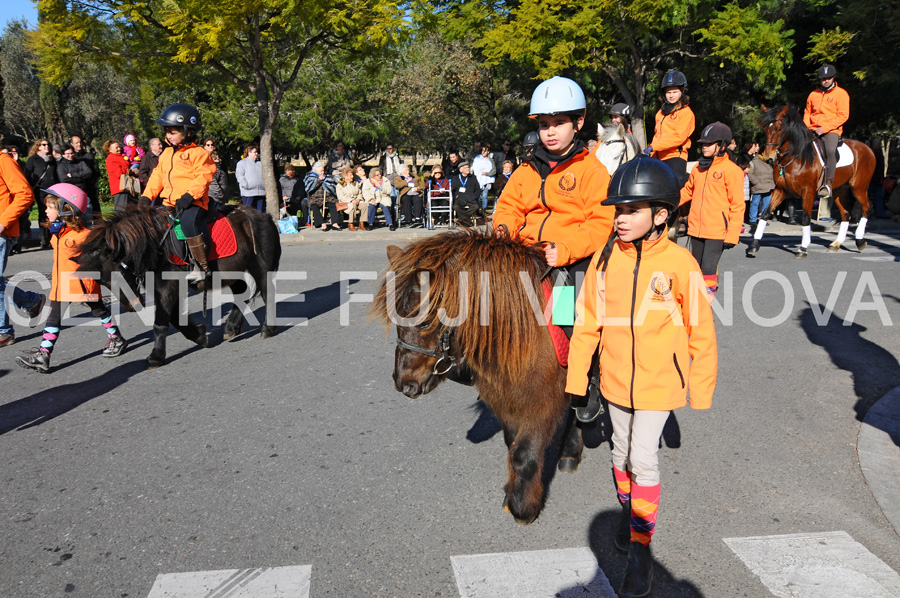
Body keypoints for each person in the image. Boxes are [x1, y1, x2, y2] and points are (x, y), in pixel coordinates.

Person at [565, 155, 717, 598]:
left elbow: (700, 331)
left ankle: (641, 550)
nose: (621, 218)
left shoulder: (680, 263)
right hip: (614, 380)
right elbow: (587, 320)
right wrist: (577, 381)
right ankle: (632, 516)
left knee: (644, 458)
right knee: (619, 453)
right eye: (618, 210)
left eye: (632, 210)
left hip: (659, 383)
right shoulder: (604, 257)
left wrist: (700, 388)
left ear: (661, 215)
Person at [492, 76, 615, 423]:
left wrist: (565, 249)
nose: (550, 132)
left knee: (568, 317)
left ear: (578, 123)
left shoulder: (591, 170)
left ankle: (588, 381)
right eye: (544, 124)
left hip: (568, 257)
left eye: (559, 123)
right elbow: (509, 207)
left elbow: (599, 222)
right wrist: (502, 230)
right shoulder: (526, 169)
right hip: (525, 251)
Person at [15, 183, 128, 372]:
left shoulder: (83, 235)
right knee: (55, 318)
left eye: (50, 207)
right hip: (62, 284)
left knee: (99, 310)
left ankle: (116, 338)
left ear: (66, 210)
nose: (45, 210)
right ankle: (44, 355)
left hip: (83, 283)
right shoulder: (58, 233)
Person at [140, 103, 217, 282]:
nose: (168, 135)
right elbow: (157, 175)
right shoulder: (166, 153)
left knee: (188, 222)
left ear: (188, 132)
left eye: (173, 132)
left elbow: (204, 176)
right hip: (168, 203)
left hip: (193, 202)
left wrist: (189, 196)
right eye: (167, 131)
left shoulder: (199, 153)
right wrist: (146, 197)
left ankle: (201, 266)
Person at [678, 122, 745, 296]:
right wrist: (669, 202)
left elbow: (737, 205)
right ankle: (695, 301)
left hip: (716, 231)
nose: (704, 147)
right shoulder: (697, 168)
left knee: (708, 268)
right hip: (696, 228)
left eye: (709, 144)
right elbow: (687, 192)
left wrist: (732, 235)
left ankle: (705, 305)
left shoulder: (732, 170)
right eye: (703, 144)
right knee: (695, 267)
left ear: (722, 145)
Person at [0, 151, 45, 347]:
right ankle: (30, 301)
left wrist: (3, 222)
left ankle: (3, 331)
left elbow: (25, 193)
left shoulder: (3, 161)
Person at [803, 64, 849, 201]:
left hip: (832, 130)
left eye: (828, 78)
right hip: (812, 129)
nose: (826, 81)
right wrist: (806, 128)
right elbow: (807, 113)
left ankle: (828, 183)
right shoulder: (813, 94)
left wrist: (825, 128)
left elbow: (843, 115)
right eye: (823, 78)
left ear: (833, 78)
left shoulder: (841, 94)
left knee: (829, 150)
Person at [644, 71, 695, 186]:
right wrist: (650, 150)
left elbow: (678, 138)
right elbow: (657, 135)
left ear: (682, 92)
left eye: (675, 92)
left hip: (675, 156)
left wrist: (654, 147)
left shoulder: (686, 113)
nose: (671, 95)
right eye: (668, 92)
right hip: (656, 156)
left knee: (675, 183)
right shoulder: (660, 113)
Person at [24, 138, 59, 249]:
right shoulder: (33, 159)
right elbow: (27, 175)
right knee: (43, 214)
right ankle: (44, 239)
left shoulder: (52, 160)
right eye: (43, 145)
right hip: (40, 190)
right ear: (38, 146)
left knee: (54, 214)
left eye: (48, 144)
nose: (46, 146)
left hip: (52, 191)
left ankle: (51, 237)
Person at [304, 161, 342, 231]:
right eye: (321, 171)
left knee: (333, 205)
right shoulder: (310, 177)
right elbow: (309, 188)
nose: (322, 172)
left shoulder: (327, 177)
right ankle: (322, 223)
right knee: (314, 207)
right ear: (316, 170)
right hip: (315, 198)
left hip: (327, 198)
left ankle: (335, 223)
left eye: (323, 170)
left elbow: (332, 186)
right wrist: (319, 180)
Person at [747, 142, 774, 232]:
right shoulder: (754, 161)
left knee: (766, 205)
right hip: (758, 186)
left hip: (768, 186)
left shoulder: (770, 162)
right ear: (762, 152)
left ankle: (764, 219)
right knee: (755, 203)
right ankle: (753, 220)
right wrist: (756, 182)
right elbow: (750, 174)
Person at [71, 135, 101, 216]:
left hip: (90, 188)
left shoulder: (89, 156)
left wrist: (90, 182)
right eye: (76, 142)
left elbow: (96, 172)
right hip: (77, 189)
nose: (79, 144)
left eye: (80, 142)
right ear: (71, 144)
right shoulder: (71, 157)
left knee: (95, 209)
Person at [104, 139, 133, 211]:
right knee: (121, 211)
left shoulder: (121, 156)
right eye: (116, 147)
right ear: (110, 150)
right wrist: (130, 170)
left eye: (119, 147)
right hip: (120, 188)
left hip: (127, 187)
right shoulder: (111, 159)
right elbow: (119, 173)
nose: (119, 149)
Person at [236, 144, 266, 212]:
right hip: (248, 193)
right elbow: (239, 175)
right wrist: (245, 185)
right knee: (247, 213)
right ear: (249, 153)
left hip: (260, 192)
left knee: (259, 213)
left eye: (257, 152)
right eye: (254, 152)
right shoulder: (242, 163)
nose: (256, 153)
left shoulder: (260, 164)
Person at [451, 161, 481, 226]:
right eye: (465, 168)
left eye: (468, 167)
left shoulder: (473, 177)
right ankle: (466, 220)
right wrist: (456, 196)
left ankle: (462, 219)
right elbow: (453, 189)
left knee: (476, 206)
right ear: (461, 170)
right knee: (456, 207)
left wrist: (474, 196)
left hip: (470, 199)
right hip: (460, 199)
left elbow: (478, 189)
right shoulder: (455, 178)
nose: (468, 169)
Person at [202, 138, 229, 210]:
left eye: (212, 145)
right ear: (204, 146)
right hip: (211, 194)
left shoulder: (219, 157)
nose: (210, 146)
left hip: (221, 193)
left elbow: (224, 174)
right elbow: (212, 181)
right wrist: (219, 194)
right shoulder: (202, 158)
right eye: (208, 145)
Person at [337, 167, 364, 231]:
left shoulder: (355, 183)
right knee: (352, 206)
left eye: (352, 175)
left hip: (357, 200)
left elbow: (360, 193)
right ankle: (351, 223)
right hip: (346, 202)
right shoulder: (340, 185)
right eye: (350, 175)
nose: (352, 176)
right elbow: (341, 197)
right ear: (345, 176)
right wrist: (351, 200)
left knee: (364, 205)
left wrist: (359, 199)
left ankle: (362, 222)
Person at [472, 144, 496, 211]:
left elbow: (493, 170)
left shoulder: (491, 160)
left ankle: (483, 210)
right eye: (482, 151)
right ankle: (477, 209)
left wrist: (487, 173)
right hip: (479, 179)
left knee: (485, 195)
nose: (483, 152)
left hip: (487, 180)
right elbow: (475, 167)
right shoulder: (477, 158)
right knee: (478, 196)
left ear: (488, 152)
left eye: (485, 151)